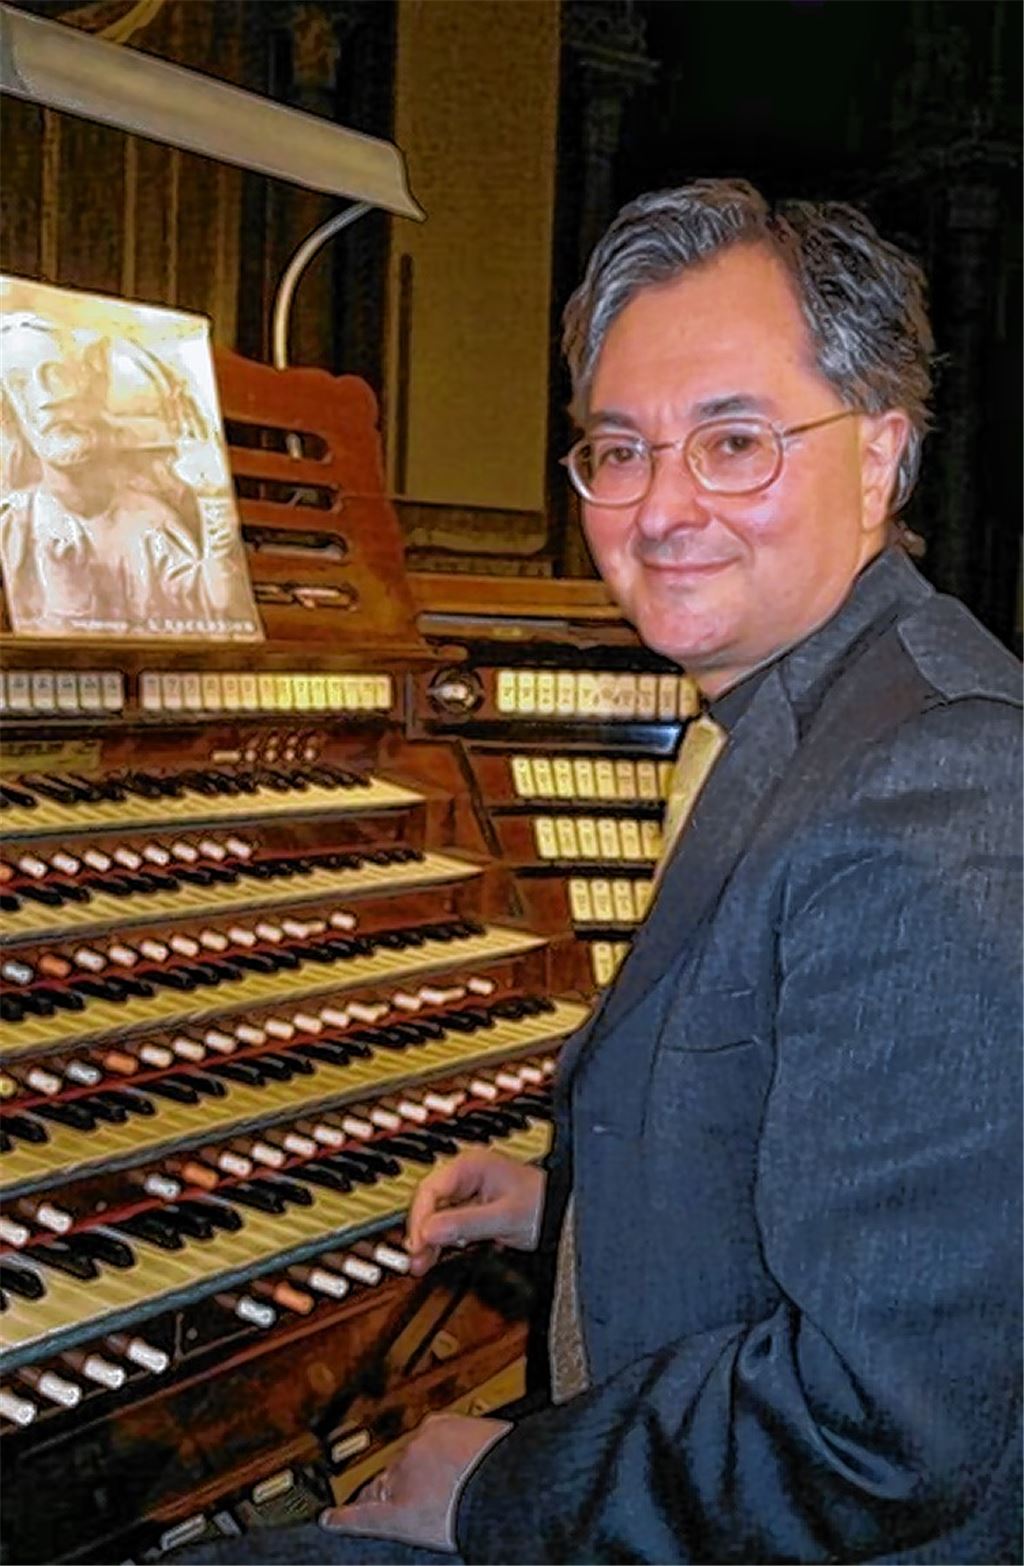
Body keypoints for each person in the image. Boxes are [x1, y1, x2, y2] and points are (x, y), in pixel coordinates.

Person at [178, 179, 1021, 1563]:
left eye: (734, 441)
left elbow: (883, 1422)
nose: (660, 506)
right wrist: (570, 1200)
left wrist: (502, 1491)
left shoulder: (936, 789)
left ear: (880, 457)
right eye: (617, 449)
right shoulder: (809, 701)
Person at [0, 315, 255, 637]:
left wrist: (213, 497)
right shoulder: (14, 522)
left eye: (58, 375)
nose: (47, 400)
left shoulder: (148, 523)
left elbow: (216, 608)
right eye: (20, 383)